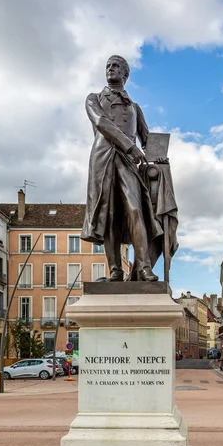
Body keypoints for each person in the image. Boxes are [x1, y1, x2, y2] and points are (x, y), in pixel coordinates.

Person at [81, 55, 163, 282]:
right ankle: (115, 269)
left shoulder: (134, 107)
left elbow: (148, 141)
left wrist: (162, 162)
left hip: (128, 163)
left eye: (116, 66)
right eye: (108, 66)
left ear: (125, 74)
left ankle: (144, 268)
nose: (111, 69)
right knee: (109, 213)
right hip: (103, 158)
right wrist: (129, 145)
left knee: (135, 209)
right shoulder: (93, 98)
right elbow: (101, 123)